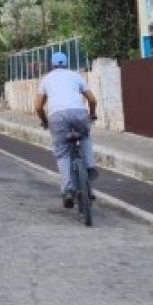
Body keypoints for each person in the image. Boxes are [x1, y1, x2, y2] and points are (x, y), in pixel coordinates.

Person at [35, 51, 99, 209]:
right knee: (84, 137)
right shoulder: (75, 76)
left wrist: (44, 121)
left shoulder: (47, 79)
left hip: (57, 116)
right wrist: (92, 114)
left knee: (62, 152)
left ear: (52, 64)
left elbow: (38, 106)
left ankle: (68, 190)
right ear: (66, 63)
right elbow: (92, 99)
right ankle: (90, 167)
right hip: (78, 113)